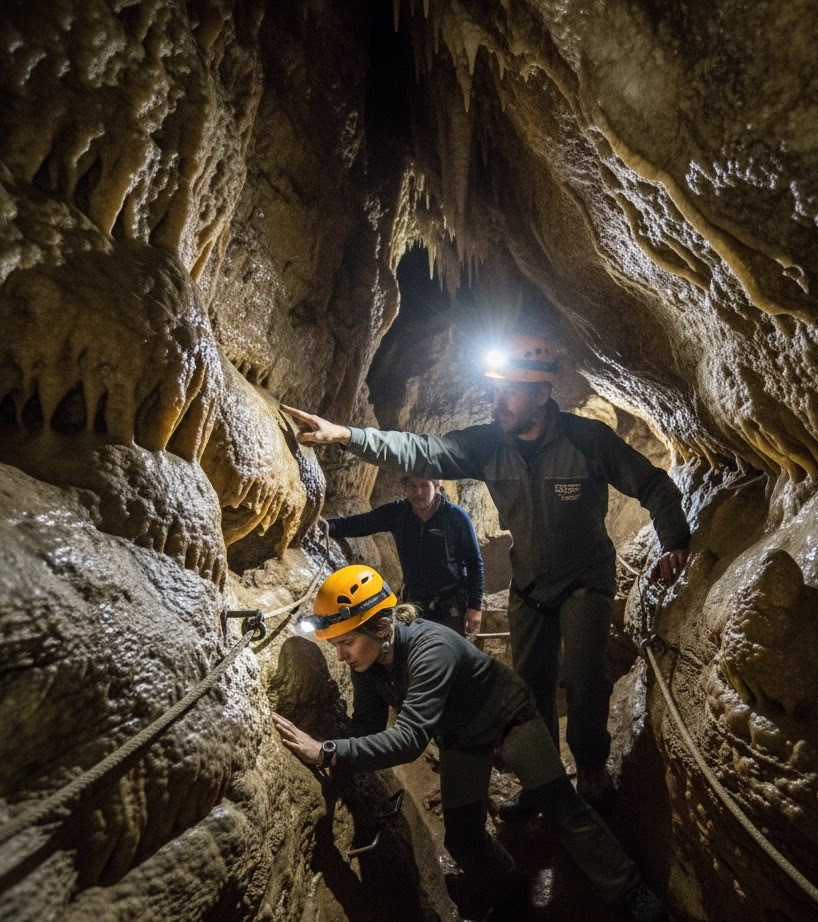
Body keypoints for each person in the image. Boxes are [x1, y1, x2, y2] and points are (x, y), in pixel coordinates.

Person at [281, 332, 690, 814]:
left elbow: (653, 484)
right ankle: (542, 784)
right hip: (531, 587)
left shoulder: (588, 442)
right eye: (493, 391)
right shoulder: (489, 444)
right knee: (529, 691)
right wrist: (350, 436)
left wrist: (675, 542)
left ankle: (592, 770)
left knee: (582, 682)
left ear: (542, 392)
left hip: (585, 582)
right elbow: (422, 450)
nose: (497, 402)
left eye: (509, 391)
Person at [272, 564, 667, 922]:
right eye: (335, 645)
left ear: (379, 626)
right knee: (462, 836)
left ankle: (628, 888)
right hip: (461, 736)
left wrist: (326, 751)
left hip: (507, 718)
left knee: (560, 806)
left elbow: (409, 740)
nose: (340, 656)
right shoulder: (369, 662)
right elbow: (367, 724)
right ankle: (510, 889)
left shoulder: (431, 650)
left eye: (346, 643)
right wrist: (338, 753)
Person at [327, 475, 484, 636]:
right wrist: (328, 526)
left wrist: (475, 607)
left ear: (437, 487)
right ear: (405, 488)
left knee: (449, 655)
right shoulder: (399, 512)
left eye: (424, 485)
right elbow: (362, 523)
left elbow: (474, 562)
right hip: (415, 602)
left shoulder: (455, 517)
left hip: (450, 606)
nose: (418, 492)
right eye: (412, 486)